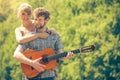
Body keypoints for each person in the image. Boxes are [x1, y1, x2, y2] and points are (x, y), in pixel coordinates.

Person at [14, 7, 73, 80]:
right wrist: (32, 63)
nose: (37, 22)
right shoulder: (29, 36)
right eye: (35, 19)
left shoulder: (55, 36)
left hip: (49, 76)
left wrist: (66, 56)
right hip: (31, 77)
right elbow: (16, 55)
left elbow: (60, 54)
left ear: (47, 20)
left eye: (40, 19)